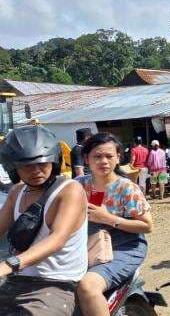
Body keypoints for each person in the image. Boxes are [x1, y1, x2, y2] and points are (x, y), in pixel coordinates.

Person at [0, 125, 88, 316]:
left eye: (43, 163)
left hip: (56, 283)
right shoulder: (16, 192)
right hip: (17, 279)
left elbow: (56, 240)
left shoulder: (69, 190)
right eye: (27, 165)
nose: (37, 170)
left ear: (54, 161)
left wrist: (8, 265)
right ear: (13, 167)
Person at [76, 133, 153, 316]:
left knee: (88, 286)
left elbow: (147, 226)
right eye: (97, 156)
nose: (104, 161)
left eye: (109, 156)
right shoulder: (78, 185)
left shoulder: (126, 188)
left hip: (124, 247)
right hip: (87, 246)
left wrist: (108, 218)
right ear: (86, 159)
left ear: (118, 158)